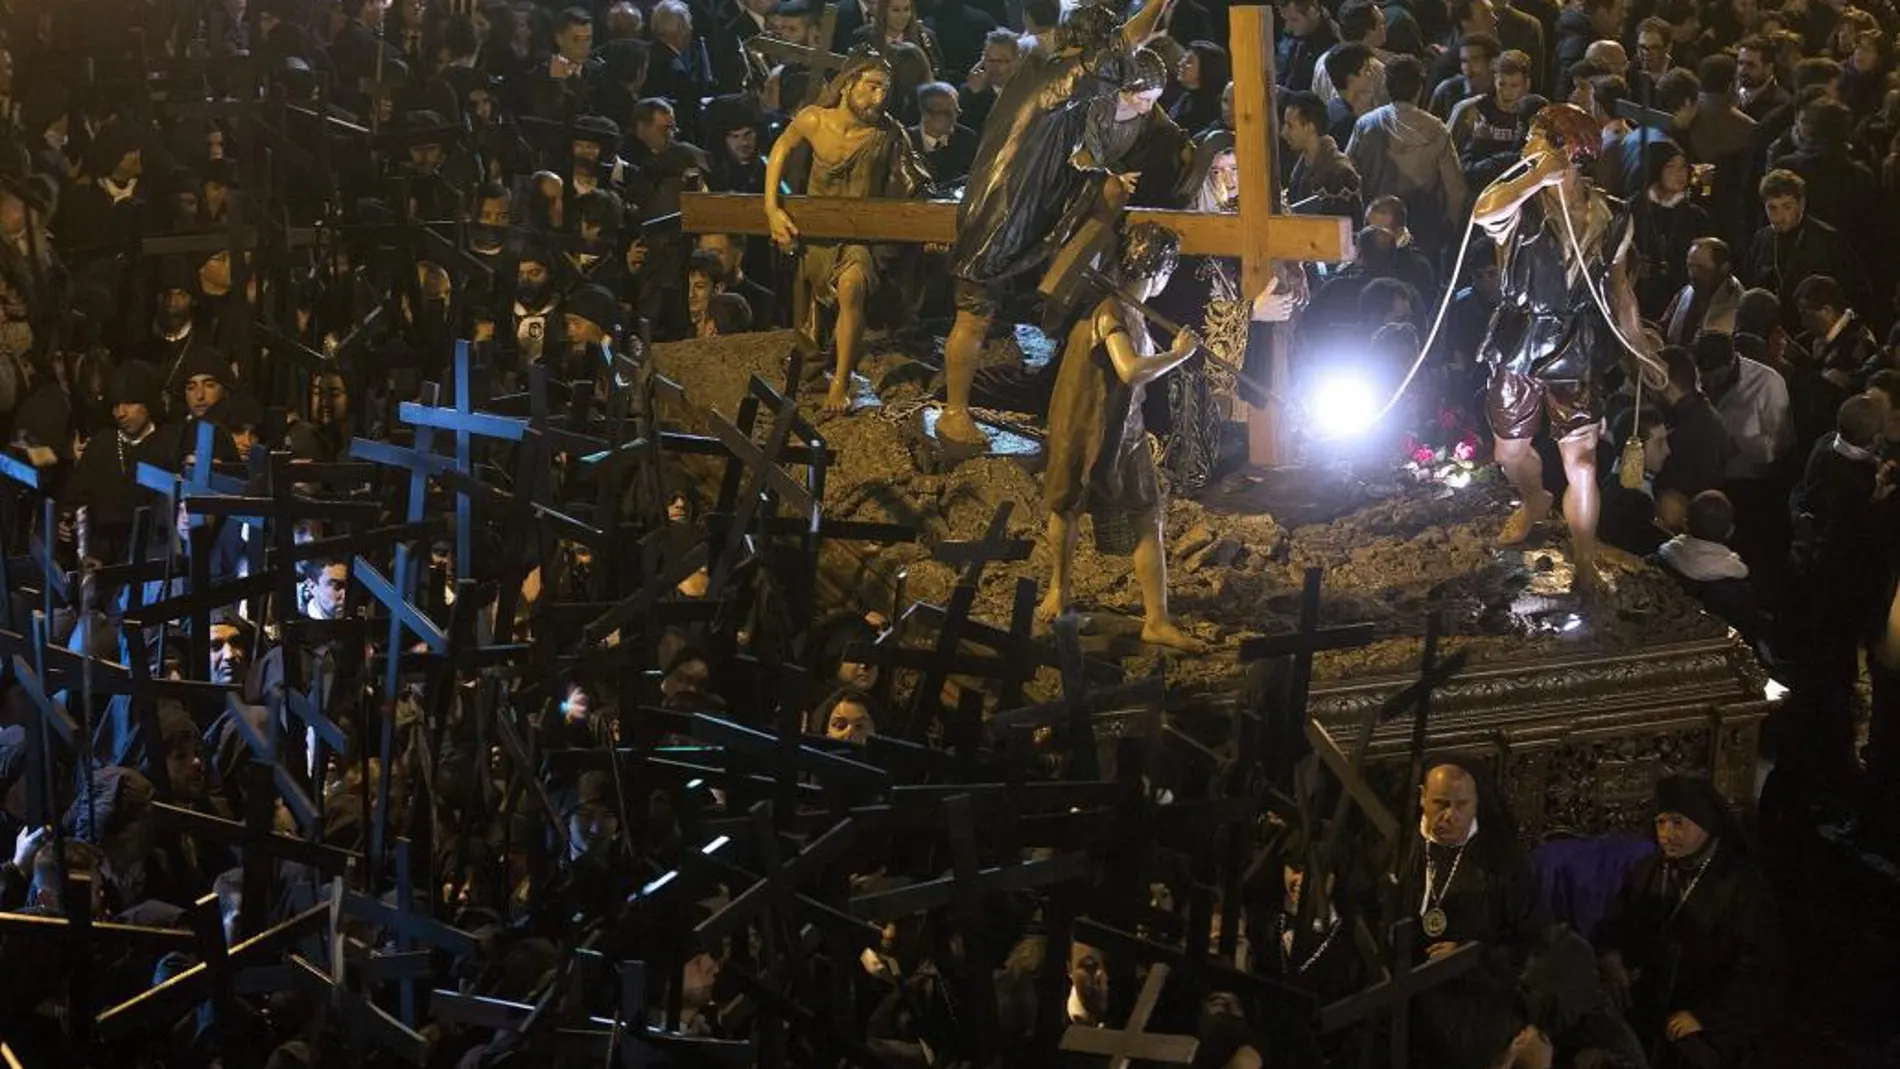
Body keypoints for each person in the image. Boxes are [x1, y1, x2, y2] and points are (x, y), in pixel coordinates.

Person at [938, 0, 1173, 445]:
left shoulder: (1041, 74)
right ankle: (954, 414)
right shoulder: (1066, 78)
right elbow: (1132, 37)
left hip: (1005, 207)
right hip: (1005, 213)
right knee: (974, 313)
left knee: (977, 312)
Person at [1473, 103, 1662, 594]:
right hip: (1520, 339)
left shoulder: (1612, 215)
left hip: (1576, 344)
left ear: (1568, 150)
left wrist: (1638, 345)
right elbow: (1484, 210)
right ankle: (1535, 498)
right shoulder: (1522, 205)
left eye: (1535, 142)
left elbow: (1620, 288)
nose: (1525, 151)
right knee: (1509, 451)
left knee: (1582, 460)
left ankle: (1583, 559)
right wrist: (1535, 178)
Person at [1038, 223, 1203, 652]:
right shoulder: (1109, 310)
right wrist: (1178, 355)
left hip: (1123, 427)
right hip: (1084, 421)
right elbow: (1129, 369)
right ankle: (1058, 590)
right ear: (1159, 268)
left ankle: (1157, 619)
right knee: (1067, 504)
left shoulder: (1133, 311)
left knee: (1148, 515)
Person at [766, 51, 929, 412]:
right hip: (816, 235)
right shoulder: (813, 120)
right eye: (872, 87)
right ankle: (817, 372)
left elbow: (913, 178)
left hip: (858, 238)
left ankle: (842, 380)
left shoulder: (887, 133)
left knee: (852, 287)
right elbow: (780, 149)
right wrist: (772, 209)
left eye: (885, 90)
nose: (879, 97)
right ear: (848, 84)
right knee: (809, 311)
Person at [1597, 776, 1783, 1069]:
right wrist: (1612, 958)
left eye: (1678, 823)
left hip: (1708, 1008)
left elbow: (1759, 970)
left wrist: (1705, 1017)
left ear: (1706, 823)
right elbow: (1615, 922)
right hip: (1649, 997)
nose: (1666, 835)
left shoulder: (1741, 885)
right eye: (1660, 824)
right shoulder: (1650, 869)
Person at [1404, 760, 1550, 981]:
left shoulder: (1502, 861)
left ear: (1476, 803)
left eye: (1461, 805)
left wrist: (1473, 957)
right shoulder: (1398, 853)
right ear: (1422, 797)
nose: (1450, 816)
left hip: (1477, 997)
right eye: (1440, 804)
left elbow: (1533, 941)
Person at [1346, 56, 1467, 255]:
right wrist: (1449, 227)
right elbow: (1455, 188)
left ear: (1386, 86)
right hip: (1423, 226)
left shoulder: (1367, 124)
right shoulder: (1436, 129)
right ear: (1419, 89)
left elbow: (1349, 174)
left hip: (1376, 224)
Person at [1659, 237, 1744, 347]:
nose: (1692, 274)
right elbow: (1664, 326)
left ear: (1724, 268)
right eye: (1690, 267)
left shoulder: (1739, 302)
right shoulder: (1685, 293)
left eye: (1701, 268)